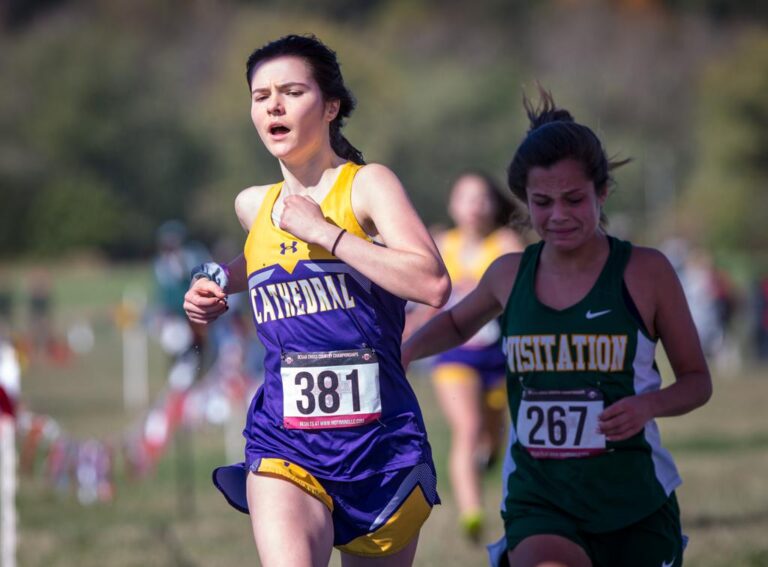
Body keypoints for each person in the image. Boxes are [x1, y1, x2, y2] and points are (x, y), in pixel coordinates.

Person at [402, 88, 712, 567]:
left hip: (634, 499)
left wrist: (647, 405)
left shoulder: (646, 272)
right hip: (540, 499)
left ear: (602, 192)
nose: (558, 215)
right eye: (542, 202)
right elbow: (457, 324)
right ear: (524, 200)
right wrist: (398, 353)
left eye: (574, 199)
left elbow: (697, 381)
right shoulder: (509, 273)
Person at [183, 34, 450, 567]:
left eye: (291, 92)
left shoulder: (367, 187)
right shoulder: (254, 204)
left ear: (331, 107)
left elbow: (432, 283)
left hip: (381, 448)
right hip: (287, 443)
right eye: (261, 97)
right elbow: (265, 261)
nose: (273, 106)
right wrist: (211, 283)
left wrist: (328, 233)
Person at [404, 171, 524, 542]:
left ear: (492, 205)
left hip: (499, 354)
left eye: (481, 198)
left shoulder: (505, 243)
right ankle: (471, 513)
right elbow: (427, 300)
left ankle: (485, 459)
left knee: (493, 435)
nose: (474, 206)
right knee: (467, 429)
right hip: (454, 354)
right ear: (452, 205)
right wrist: (408, 338)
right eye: (465, 198)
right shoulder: (441, 244)